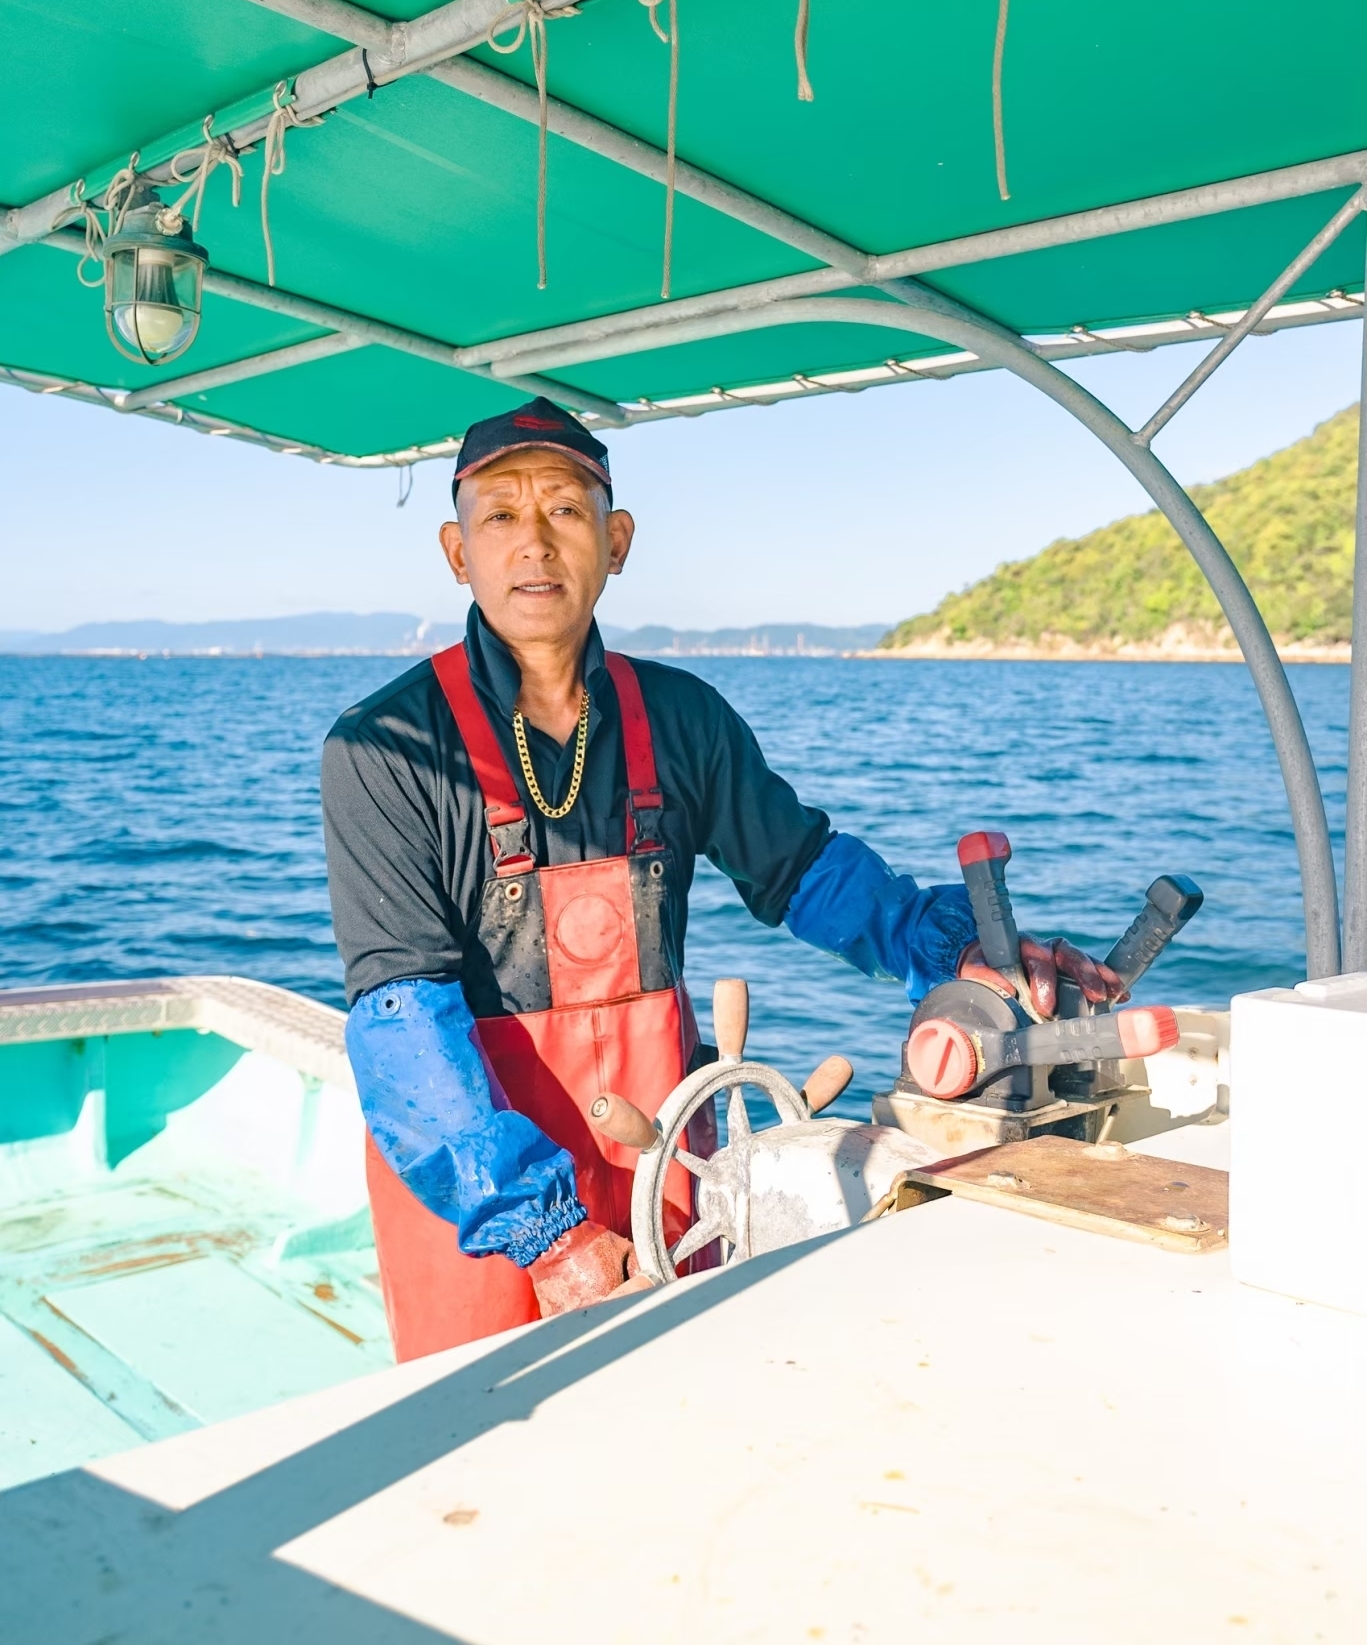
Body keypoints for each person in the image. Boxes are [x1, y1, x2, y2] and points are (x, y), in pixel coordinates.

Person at [322, 398, 1121, 1359]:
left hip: (657, 1149)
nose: (533, 543)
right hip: (481, 1194)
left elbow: (805, 872)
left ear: (615, 541)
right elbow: (400, 1014)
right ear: (458, 551)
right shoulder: (382, 748)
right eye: (500, 515)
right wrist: (542, 1231)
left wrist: (950, 948)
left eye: (566, 512)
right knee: (476, 1440)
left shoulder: (684, 719)